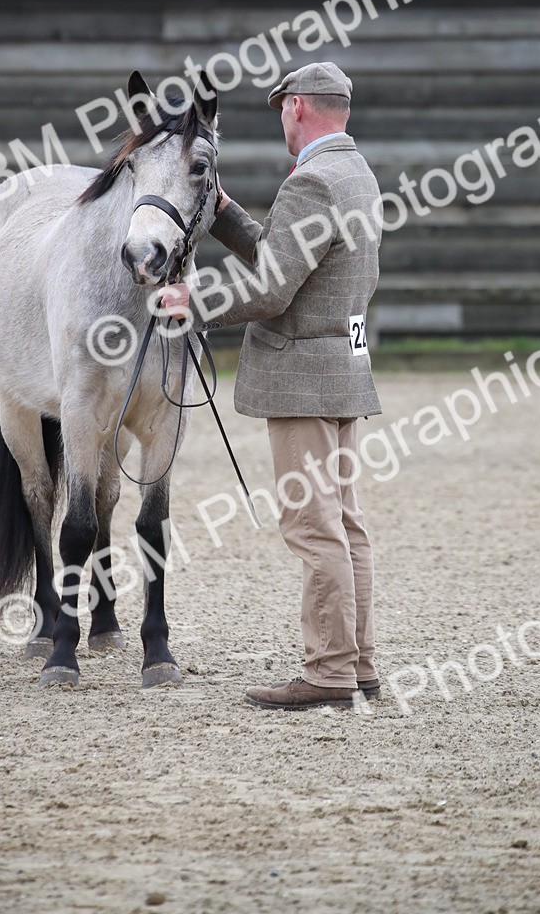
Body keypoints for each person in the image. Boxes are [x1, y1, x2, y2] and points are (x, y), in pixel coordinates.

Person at [160, 61, 383, 710]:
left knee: (314, 530)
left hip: (302, 376)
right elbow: (291, 259)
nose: (280, 117)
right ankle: (358, 665)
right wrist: (226, 215)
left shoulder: (310, 182)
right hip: (342, 366)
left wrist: (191, 300)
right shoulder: (353, 172)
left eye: (281, 107)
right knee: (346, 525)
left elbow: (271, 289)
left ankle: (329, 672)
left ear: (297, 108)